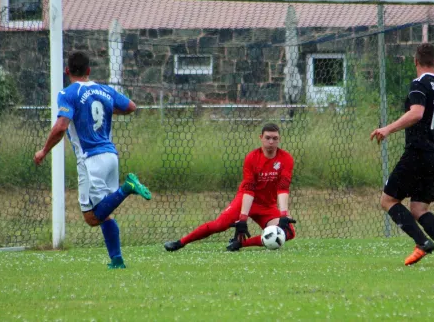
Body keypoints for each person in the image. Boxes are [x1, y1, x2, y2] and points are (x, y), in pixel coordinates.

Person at [34, 51, 152, 269]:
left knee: (91, 217)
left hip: (91, 160)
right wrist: (107, 108)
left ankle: (128, 187)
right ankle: (116, 260)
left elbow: (61, 127)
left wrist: (43, 151)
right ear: (89, 71)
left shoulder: (68, 93)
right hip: (110, 157)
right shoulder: (105, 90)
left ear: (67, 71)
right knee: (104, 212)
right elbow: (131, 107)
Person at [370, 43, 434, 267]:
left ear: (415, 61)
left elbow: (417, 113)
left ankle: (422, 242)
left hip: (419, 152)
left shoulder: (419, 84)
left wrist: (387, 128)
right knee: (419, 209)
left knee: (388, 200)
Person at [164, 123, 296, 252]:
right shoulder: (252, 158)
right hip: (246, 200)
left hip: (267, 206)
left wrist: (284, 214)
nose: (271, 142)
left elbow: (283, 188)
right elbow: (249, 189)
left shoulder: (286, 159)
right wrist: (243, 218)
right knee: (219, 225)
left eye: (275, 138)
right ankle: (180, 243)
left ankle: (240, 243)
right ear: (260, 137)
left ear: (280, 139)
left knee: (288, 232)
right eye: (267, 138)